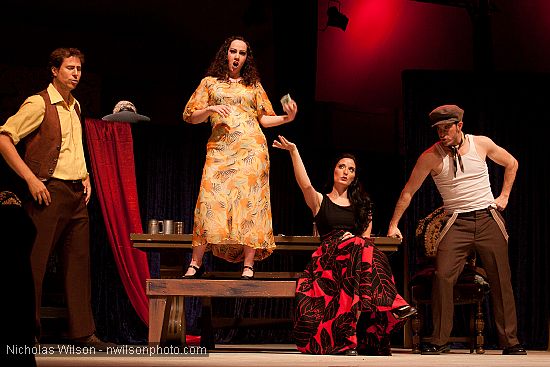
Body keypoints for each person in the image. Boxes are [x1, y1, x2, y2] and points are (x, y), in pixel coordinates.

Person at [387, 104, 526, 355]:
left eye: (446, 128)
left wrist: (504, 195)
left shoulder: (480, 143)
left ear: (459, 126)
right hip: (457, 222)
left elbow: (512, 163)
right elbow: (408, 192)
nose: (442, 134)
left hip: (487, 217)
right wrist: (393, 224)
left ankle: (511, 341)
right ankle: (440, 340)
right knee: (442, 277)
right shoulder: (430, 156)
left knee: (501, 279)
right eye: (438, 129)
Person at [0, 48, 113, 349]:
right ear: (54, 70)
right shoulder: (40, 103)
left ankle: (82, 332)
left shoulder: (75, 106)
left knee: (78, 266)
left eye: (79, 68)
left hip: (76, 194)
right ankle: (27, 332)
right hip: (48, 192)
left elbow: (72, 147)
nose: (76, 73)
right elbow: (4, 138)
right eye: (69, 68)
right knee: (34, 266)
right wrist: (30, 178)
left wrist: (86, 174)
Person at [273, 135, 416, 355]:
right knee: (362, 247)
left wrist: (354, 241)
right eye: (341, 166)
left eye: (351, 169)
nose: (346, 171)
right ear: (334, 171)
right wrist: (294, 151)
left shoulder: (363, 207)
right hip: (327, 261)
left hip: (353, 263)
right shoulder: (321, 201)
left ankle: (350, 340)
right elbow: (305, 183)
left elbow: (366, 243)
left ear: (354, 177)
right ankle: (393, 303)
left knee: (365, 250)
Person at [182, 36, 298, 279]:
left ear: (247, 58)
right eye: (233, 51)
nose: (236, 56)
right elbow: (191, 116)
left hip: (251, 152)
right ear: (226, 54)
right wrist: (211, 109)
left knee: (250, 205)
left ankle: (248, 265)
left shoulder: (252, 85)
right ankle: (195, 262)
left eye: (242, 53)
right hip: (220, 151)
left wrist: (287, 119)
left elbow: (265, 119)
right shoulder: (209, 83)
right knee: (208, 202)